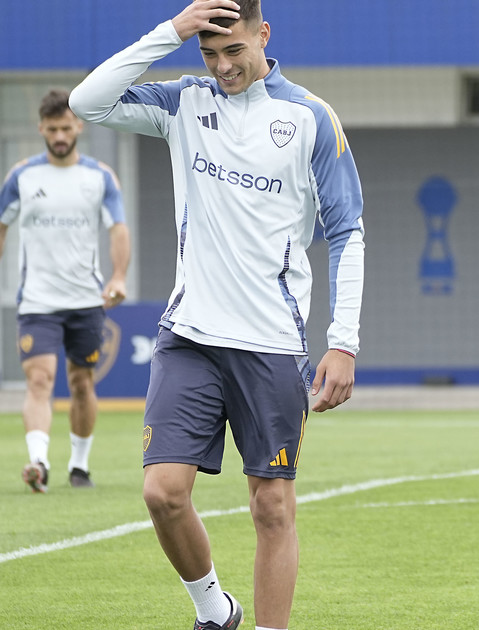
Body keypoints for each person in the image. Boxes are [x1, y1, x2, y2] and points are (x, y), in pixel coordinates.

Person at [70, 1, 365, 628]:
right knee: (162, 493)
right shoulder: (184, 103)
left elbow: (347, 231)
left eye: (234, 50)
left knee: (271, 508)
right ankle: (215, 609)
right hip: (190, 336)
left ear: (264, 34)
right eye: (209, 54)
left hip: (271, 343)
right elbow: (87, 102)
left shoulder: (310, 117)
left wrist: (344, 341)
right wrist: (171, 32)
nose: (223, 66)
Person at [0, 89, 130, 493]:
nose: (59, 136)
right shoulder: (21, 176)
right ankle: (39, 462)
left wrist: (118, 277)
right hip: (37, 302)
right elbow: (1, 226)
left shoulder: (99, 177)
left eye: (66, 128)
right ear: (41, 128)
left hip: (85, 301)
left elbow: (118, 229)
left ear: (79, 127)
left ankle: (79, 466)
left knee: (81, 383)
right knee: (40, 379)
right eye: (52, 128)